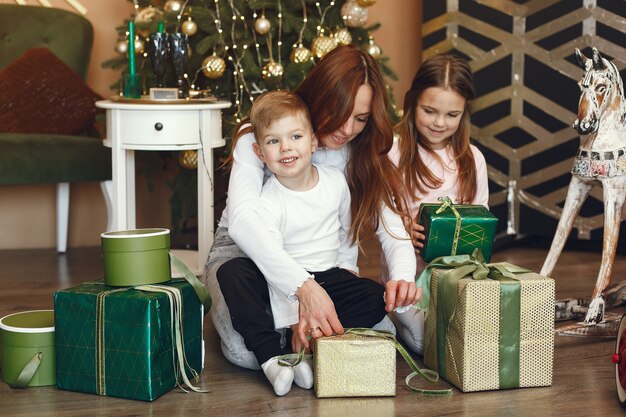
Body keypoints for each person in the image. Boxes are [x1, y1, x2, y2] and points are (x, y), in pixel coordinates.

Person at [203, 45, 420, 380]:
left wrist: (403, 278)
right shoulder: (263, 135)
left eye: (360, 118)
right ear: (321, 96)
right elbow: (244, 222)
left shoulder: (357, 154)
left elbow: (389, 230)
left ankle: (301, 337)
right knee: (243, 353)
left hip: (319, 264)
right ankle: (285, 339)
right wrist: (304, 290)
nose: (348, 128)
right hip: (243, 256)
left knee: (376, 319)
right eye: (341, 111)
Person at [223, 89, 391, 396]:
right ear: (260, 153)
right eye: (273, 141)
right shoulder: (268, 201)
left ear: (313, 142)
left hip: (327, 276)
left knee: (374, 296)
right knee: (234, 272)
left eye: (296, 137)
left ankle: (312, 341)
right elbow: (272, 262)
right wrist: (292, 320)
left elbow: (345, 234)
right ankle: (272, 355)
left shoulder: (335, 182)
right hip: (284, 282)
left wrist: (347, 268)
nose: (286, 148)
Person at [384, 53, 489, 355]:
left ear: (464, 112)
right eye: (429, 111)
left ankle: (406, 318)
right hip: (410, 280)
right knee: (425, 347)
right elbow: (379, 219)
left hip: (455, 282)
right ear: (413, 102)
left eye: (452, 115)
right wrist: (403, 226)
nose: (440, 123)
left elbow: (481, 223)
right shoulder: (394, 153)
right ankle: (398, 310)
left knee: (467, 340)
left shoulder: (472, 158)